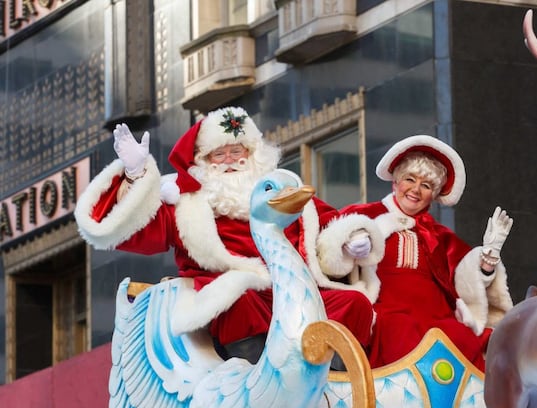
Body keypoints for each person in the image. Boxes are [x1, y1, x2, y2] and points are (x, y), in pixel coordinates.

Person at [74, 106, 379, 357]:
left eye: (237, 151)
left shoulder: (282, 191)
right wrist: (135, 175)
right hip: (242, 295)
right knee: (236, 296)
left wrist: (349, 240)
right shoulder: (184, 202)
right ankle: (257, 375)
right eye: (219, 155)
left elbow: (328, 223)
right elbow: (135, 229)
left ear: (253, 155)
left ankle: (338, 381)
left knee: (354, 304)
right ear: (203, 162)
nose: (230, 161)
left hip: (295, 292)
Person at [316, 135, 514, 369]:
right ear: (396, 182)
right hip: (386, 307)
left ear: (435, 195)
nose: (416, 190)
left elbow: (465, 280)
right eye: (410, 179)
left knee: (460, 339)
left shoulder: (439, 235)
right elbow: (325, 248)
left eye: (427, 185)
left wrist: (488, 257)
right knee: (400, 333)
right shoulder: (364, 214)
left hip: (436, 313)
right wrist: (346, 247)